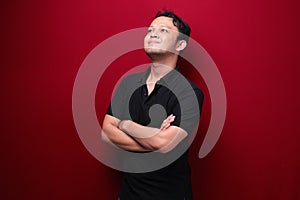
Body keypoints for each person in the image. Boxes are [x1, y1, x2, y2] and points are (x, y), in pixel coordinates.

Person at [102, 10, 204, 200]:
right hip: (128, 195)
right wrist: (153, 137)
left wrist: (125, 124)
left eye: (164, 30)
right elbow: (106, 133)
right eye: (150, 30)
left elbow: (164, 145)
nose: (153, 34)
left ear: (180, 44)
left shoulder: (189, 93)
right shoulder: (128, 84)